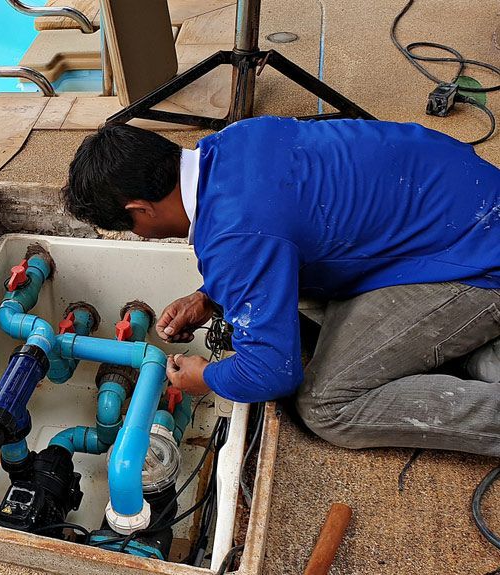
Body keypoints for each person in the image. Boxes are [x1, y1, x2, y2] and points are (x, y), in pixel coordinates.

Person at [61, 117, 500, 456]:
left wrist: (208, 377)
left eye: (131, 227)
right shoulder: (233, 141)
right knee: (305, 312)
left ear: (141, 209)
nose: (140, 237)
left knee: (327, 406)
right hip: (460, 198)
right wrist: (210, 296)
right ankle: (471, 349)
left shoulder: (236, 239)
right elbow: (277, 225)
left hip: (475, 255)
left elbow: (272, 371)